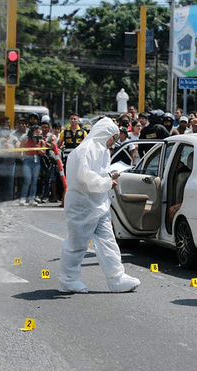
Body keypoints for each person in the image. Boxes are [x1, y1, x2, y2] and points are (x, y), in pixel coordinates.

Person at [59, 117, 141, 293]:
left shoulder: (102, 150)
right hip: (82, 204)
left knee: (108, 241)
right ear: (105, 134)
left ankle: (116, 278)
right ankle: (68, 280)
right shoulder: (87, 149)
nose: (113, 142)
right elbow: (84, 177)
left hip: (98, 203)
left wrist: (108, 179)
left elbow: (97, 175)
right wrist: (106, 182)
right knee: (77, 244)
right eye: (113, 138)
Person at [19, 125, 46, 206]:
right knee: (27, 179)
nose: (38, 133)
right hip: (27, 159)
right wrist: (21, 156)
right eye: (36, 131)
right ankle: (23, 198)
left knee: (35, 180)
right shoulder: (26, 139)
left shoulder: (41, 141)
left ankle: (32, 198)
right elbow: (21, 148)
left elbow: (43, 153)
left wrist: (38, 147)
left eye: (39, 131)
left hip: (36, 159)